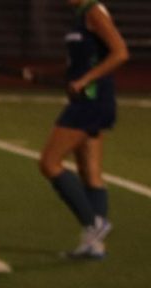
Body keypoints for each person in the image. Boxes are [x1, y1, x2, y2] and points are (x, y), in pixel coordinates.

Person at [27, 0, 128, 259]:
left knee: (49, 163)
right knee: (90, 173)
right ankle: (94, 246)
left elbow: (120, 53)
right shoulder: (80, 15)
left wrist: (84, 80)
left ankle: (94, 224)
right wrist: (42, 72)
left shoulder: (94, 11)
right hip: (89, 100)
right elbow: (79, 63)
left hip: (93, 101)